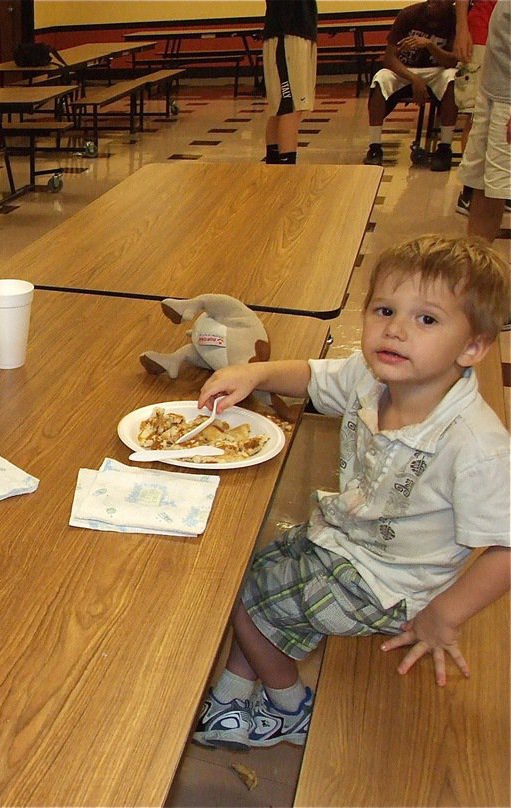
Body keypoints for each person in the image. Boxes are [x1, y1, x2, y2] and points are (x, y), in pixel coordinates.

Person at [191, 234, 509, 750]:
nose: (396, 330)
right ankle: (234, 691)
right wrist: (255, 372)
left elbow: (506, 546)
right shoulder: (372, 376)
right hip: (344, 539)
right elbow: (312, 377)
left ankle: (288, 705)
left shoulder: (475, 445)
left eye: (426, 319)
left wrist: (443, 616)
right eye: (384, 310)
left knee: (240, 595)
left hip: (392, 583)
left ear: (473, 347)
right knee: (245, 567)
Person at [363, 0, 460, 171]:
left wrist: (429, 45)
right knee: (380, 79)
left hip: (437, 70)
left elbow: (451, 61)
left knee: (452, 78)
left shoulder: (455, 19)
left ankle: (445, 149)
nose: (433, 3)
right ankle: (374, 148)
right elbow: (389, 58)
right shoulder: (409, 14)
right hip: (405, 70)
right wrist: (414, 78)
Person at [456, 0, 510, 238]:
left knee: (501, 183)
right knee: (485, 186)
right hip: (493, 86)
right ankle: (476, 268)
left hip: (508, 98)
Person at [451, 0, 496, 212]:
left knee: (504, 115)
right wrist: (462, 30)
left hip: (505, 33)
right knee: (476, 115)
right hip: (480, 35)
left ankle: (499, 186)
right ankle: (469, 190)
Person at [261, 0, 318, 164]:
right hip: (287, 35)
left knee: (282, 108)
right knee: (289, 107)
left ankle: (275, 166)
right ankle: (286, 171)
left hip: (296, 33)